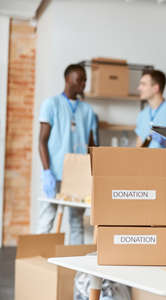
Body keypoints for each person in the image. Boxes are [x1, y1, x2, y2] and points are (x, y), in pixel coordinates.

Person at [38, 63, 97, 244]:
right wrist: (47, 171)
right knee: (46, 219)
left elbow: (92, 146)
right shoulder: (51, 104)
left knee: (76, 222)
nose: (83, 84)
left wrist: (93, 174)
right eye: (79, 79)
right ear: (67, 79)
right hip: (55, 173)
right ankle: (39, 265)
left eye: (85, 80)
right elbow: (42, 141)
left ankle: (75, 271)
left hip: (78, 176)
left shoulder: (88, 111)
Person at [135, 69, 166, 148]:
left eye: (143, 84)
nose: (139, 88)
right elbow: (139, 145)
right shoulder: (142, 114)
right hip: (145, 159)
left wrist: (165, 142)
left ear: (155, 88)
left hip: (165, 159)